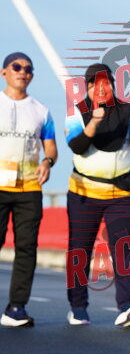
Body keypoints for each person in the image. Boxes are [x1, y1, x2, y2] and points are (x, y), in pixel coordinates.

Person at [64, 63, 130, 327]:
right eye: (94, 84)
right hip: (84, 193)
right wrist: (95, 121)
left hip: (120, 193)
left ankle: (127, 305)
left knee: (123, 249)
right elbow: (77, 146)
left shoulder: (126, 109)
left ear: (112, 85)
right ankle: (78, 307)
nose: (101, 88)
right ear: (87, 86)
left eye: (106, 83)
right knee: (80, 250)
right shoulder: (76, 112)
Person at [0, 52, 57, 328]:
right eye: (17, 67)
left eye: (29, 69)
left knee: (26, 248)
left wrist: (48, 162)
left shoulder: (41, 111)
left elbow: (51, 148)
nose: (23, 72)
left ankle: (16, 308)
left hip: (29, 188)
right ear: (4, 72)